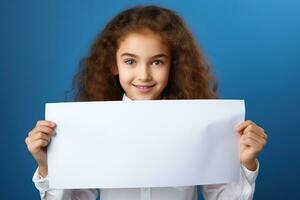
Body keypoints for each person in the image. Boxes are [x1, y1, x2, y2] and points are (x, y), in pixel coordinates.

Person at [25, 5, 268, 200]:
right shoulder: (91, 125)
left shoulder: (199, 123)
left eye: (157, 62)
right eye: (130, 61)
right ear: (113, 64)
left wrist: (245, 163)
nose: (143, 75)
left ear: (174, 65)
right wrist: (49, 167)